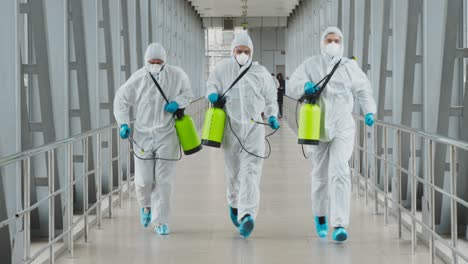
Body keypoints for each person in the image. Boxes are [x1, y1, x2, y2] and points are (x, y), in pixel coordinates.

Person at [288, 26, 376, 242]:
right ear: (322, 42)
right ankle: (320, 216)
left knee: (340, 171)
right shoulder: (311, 64)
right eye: (329, 40)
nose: (333, 44)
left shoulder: (349, 67)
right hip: (317, 126)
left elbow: (363, 89)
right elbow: (292, 84)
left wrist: (369, 111)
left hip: (343, 126)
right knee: (320, 174)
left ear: (342, 42)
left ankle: (339, 224)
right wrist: (304, 86)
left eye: (336, 40)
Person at [113, 43, 193, 236]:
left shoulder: (177, 75)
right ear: (146, 61)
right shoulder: (139, 78)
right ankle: (145, 206)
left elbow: (188, 93)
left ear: (165, 61)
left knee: (164, 182)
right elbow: (121, 99)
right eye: (152, 62)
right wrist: (123, 123)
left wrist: (178, 102)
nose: (156, 65)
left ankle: (161, 221)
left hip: (168, 134)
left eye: (159, 62)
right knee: (143, 181)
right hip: (143, 135)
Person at [206, 31, 279, 238]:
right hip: (231, 127)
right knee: (234, 171)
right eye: (239, 51)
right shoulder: (222, 69)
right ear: (233, 51)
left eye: (246, 51)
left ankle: (247, 215)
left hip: (255, 127)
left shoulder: (260, 72)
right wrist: (211, 93)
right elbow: (211, 84)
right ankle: (234, 203)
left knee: (251, 171)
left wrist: (273, 115)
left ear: (251, 52)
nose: (243, 54)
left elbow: (270, 97)